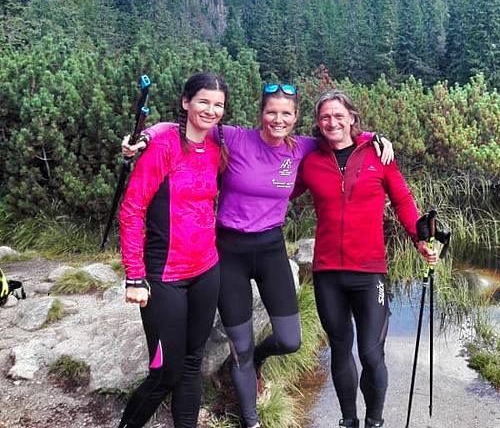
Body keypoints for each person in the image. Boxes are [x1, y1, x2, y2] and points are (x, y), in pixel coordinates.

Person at [125, 83, 393, 428]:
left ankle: (262, 359)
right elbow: (189, 125)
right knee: (240, 348)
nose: (278, 119)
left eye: (286, 113)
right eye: (271, 112)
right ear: (261, 114)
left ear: (296, 118)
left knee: (289, 339)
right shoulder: (234, 138)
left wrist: (373, 137)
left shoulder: (304, 148)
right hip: (229, 251)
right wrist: (147, 133)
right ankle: (251, 421)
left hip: (270, 249)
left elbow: (340, 132)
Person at [294, 90, 438, 428]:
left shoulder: (376, 155)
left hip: (369, 271)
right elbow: (278, 189)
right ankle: (349, 421)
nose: (332, 122)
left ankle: (375, 421)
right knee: (341, 350)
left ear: (352, 118)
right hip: (328, 272)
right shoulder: (311, 161)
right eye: (325, 117)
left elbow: (402, 198)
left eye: (338, 115)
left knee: (372, 353)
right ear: (318, 122)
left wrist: (418, 237)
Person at [117, 72, 228, 428]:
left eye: (218, 105)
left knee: (193, 360)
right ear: (186, 102)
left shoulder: (216, 146)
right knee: (166, 371)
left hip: (206, 269)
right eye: (203, 102)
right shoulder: (164, 146)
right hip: (164, 275)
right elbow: (131, 210)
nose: (210, 111)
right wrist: (134, 276)